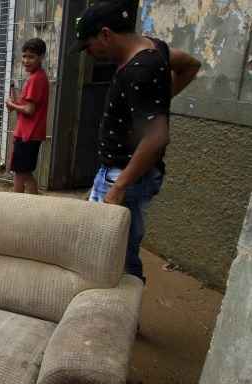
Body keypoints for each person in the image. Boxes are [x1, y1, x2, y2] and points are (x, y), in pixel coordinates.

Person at [71, 1, 200, 282]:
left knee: (118, 255)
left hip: (125, 175)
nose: (89, 54)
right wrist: (157, 104)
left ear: (106, 34)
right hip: (116, 171)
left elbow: (156, 137)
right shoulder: (154, 48)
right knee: (99, 241)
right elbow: (190, 64)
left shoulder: (139, 70)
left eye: (89, 45)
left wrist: (118, 187)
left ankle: (123, 318)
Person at [5, 38, 49, 195]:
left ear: (41, 57)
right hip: (30, 133)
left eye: (31, 57)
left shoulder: (35, 79)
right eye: (24, 56)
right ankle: (33, 203)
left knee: (19, 173)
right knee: (26, 173)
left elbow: (29, 110)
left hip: (27, 134)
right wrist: (17, 104)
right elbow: (29, 108)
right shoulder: (40, 76)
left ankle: (15, 204)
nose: (26, 60)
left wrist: (12, 105)